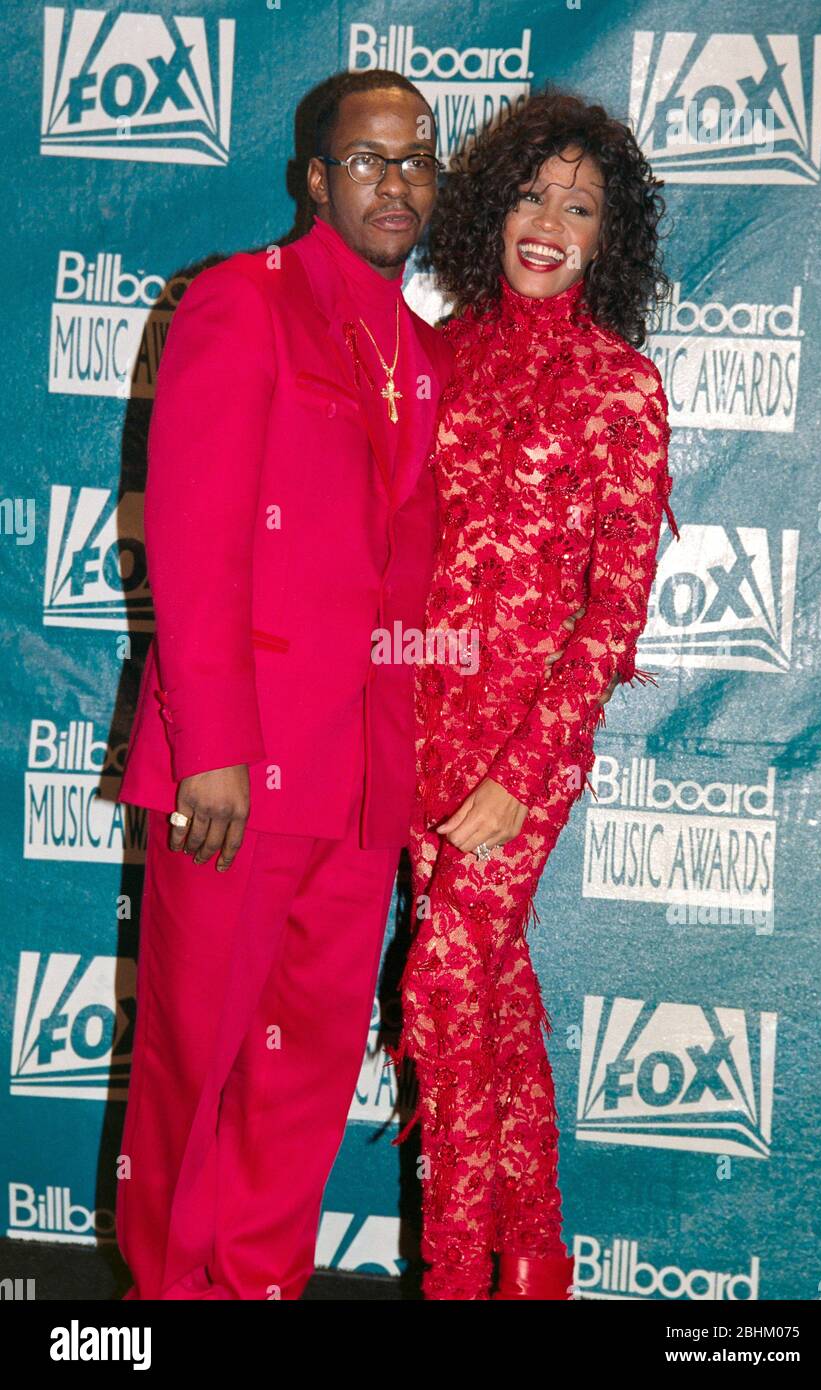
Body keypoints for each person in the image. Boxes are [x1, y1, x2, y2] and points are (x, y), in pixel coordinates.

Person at [114, 69, 454, 1300]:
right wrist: (207, 742)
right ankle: (164, 1302)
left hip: (359, 782)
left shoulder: (422, 354)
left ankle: (257, 1286)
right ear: (314, 177)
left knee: (303, 1072)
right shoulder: (239, 304)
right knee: (194, 1063)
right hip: (235, 772)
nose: (396, 180)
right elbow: (196, 540)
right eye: (367, 160)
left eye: (417, 158)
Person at [388, 90, 679, 1300]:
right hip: (414, 732)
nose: (550, 221)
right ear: (491, 207)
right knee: (494, 1001)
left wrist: (521, 772)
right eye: (530, 193)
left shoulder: (625, 389)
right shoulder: (434, 360)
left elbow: (613, 615)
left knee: (445, 975)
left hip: (529, 752)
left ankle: (459, 1278)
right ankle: (534, 1272)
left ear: (609, 238)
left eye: (580, 204)